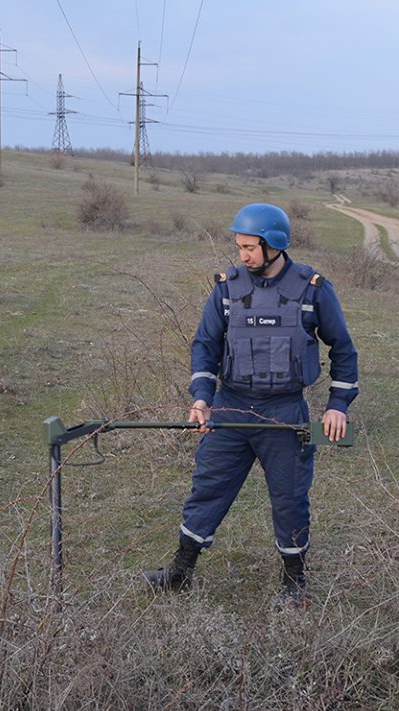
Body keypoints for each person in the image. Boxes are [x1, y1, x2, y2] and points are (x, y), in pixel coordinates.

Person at [143, 202, 359, 603]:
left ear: (273, 244)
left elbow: (343, 350)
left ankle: (294, 583)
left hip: (284, 412)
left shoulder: (312, 289)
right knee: (207, 488)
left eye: (249, 248)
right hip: (230, 407)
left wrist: (337, 405)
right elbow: (205, 345)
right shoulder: (227, 288)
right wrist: (202, 399)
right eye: (238, 247)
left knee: (290, 497)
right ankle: (180, 572)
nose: (241, 255)